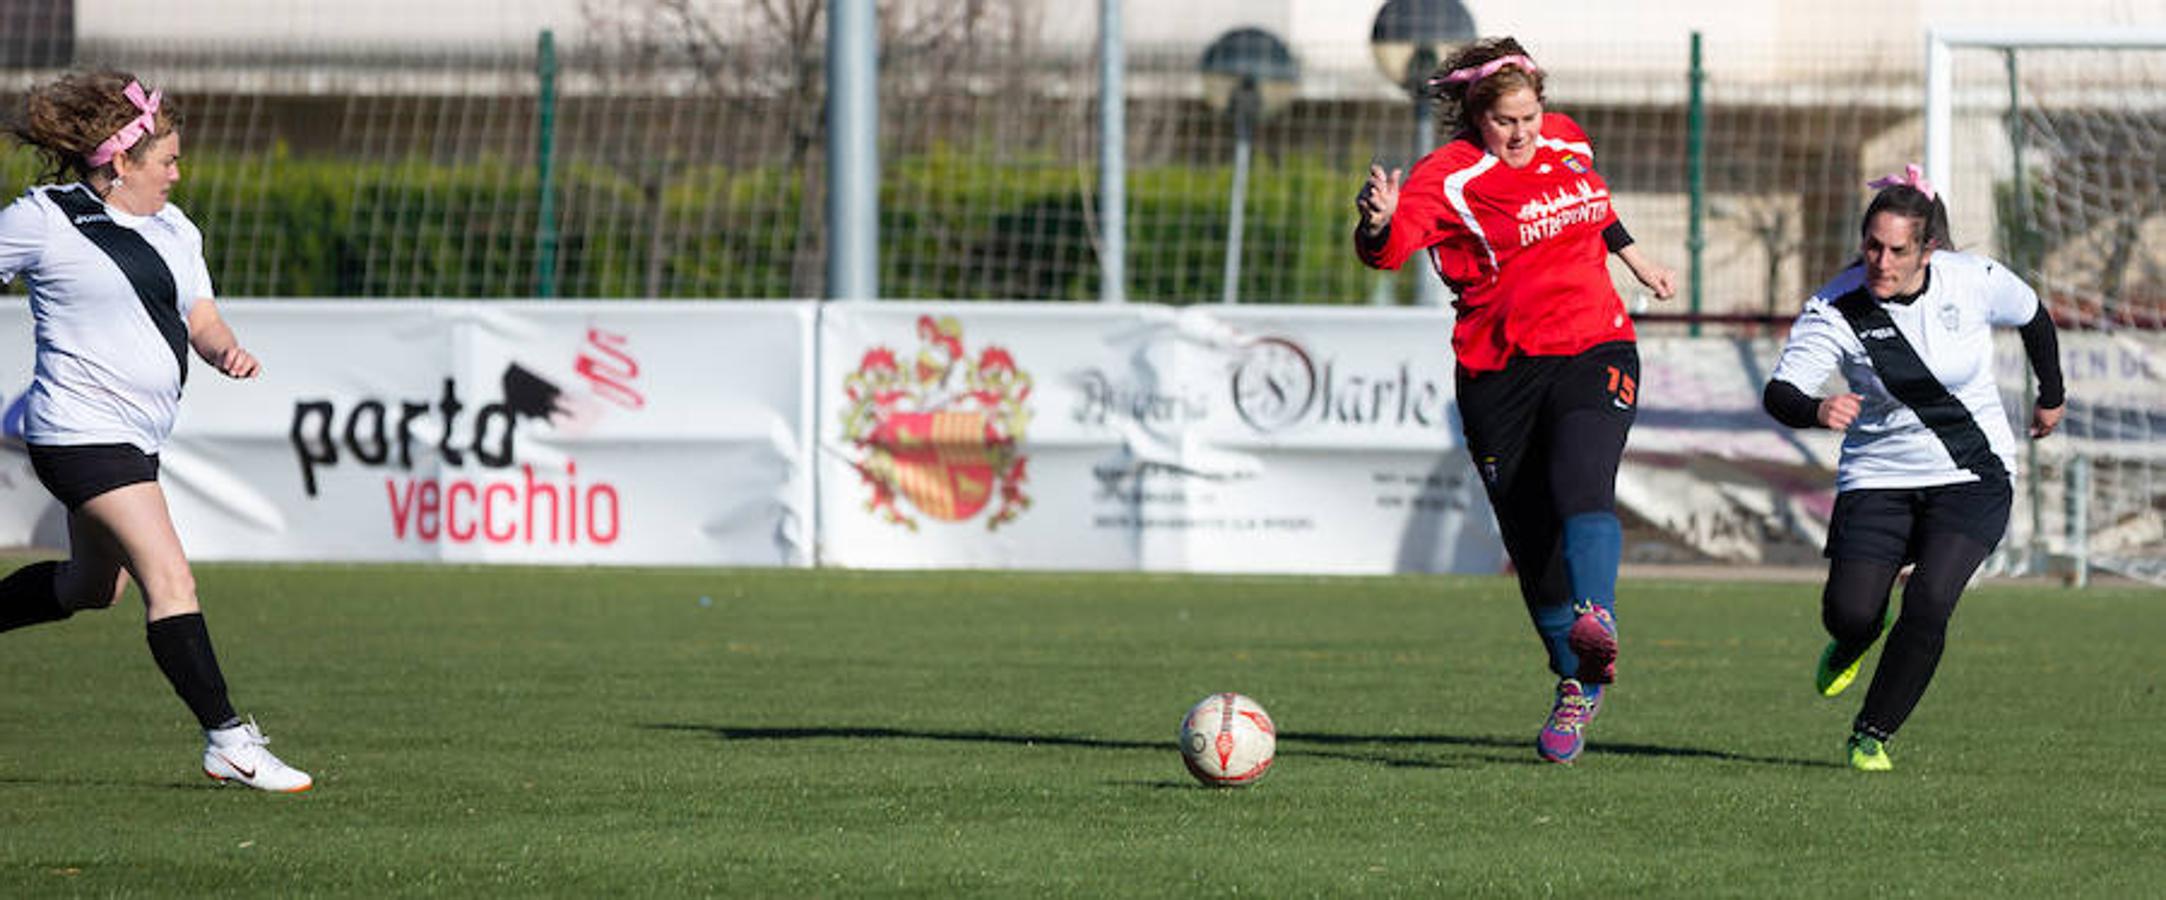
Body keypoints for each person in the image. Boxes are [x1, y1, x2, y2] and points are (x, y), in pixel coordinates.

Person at [1353, 37, 1677, 765]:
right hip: (1499, 371)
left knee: (1582, 480)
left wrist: (1634, 258)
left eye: (1531, 114)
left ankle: (1599, 617)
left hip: (1595, 344)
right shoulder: (1448, 177)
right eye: (1507, 121)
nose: (1524, 132)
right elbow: (1390, 247)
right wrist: (1376, 222)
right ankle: (1576, 680)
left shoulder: (1566, 140)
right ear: (1477, 116)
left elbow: (1594, 203)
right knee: (1531, 542)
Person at [0, 71, 311, 792]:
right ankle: (228, 741)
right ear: (119, 162)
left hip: (133, 439)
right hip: (78, 434)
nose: (178, 171)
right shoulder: (47, 217)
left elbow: (200, 318)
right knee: (170, 580)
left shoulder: (177, 229)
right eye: (165, 159)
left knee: (89, 588)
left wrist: (223, 348)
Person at [1763, 163, 2065, 772]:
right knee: (1849, 612)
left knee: (1929, 600)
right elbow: (1780, 391)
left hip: (1973, 473)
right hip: (1878, 475)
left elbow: (2034, 316)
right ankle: (1855, 638)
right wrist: (1816, 407)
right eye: (1872, 247)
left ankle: (1872, 732)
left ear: (1927, 249)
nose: (1881, 261)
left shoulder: (1972, 279)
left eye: (1897, 250)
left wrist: (2051, 394)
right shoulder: (1835, 307)